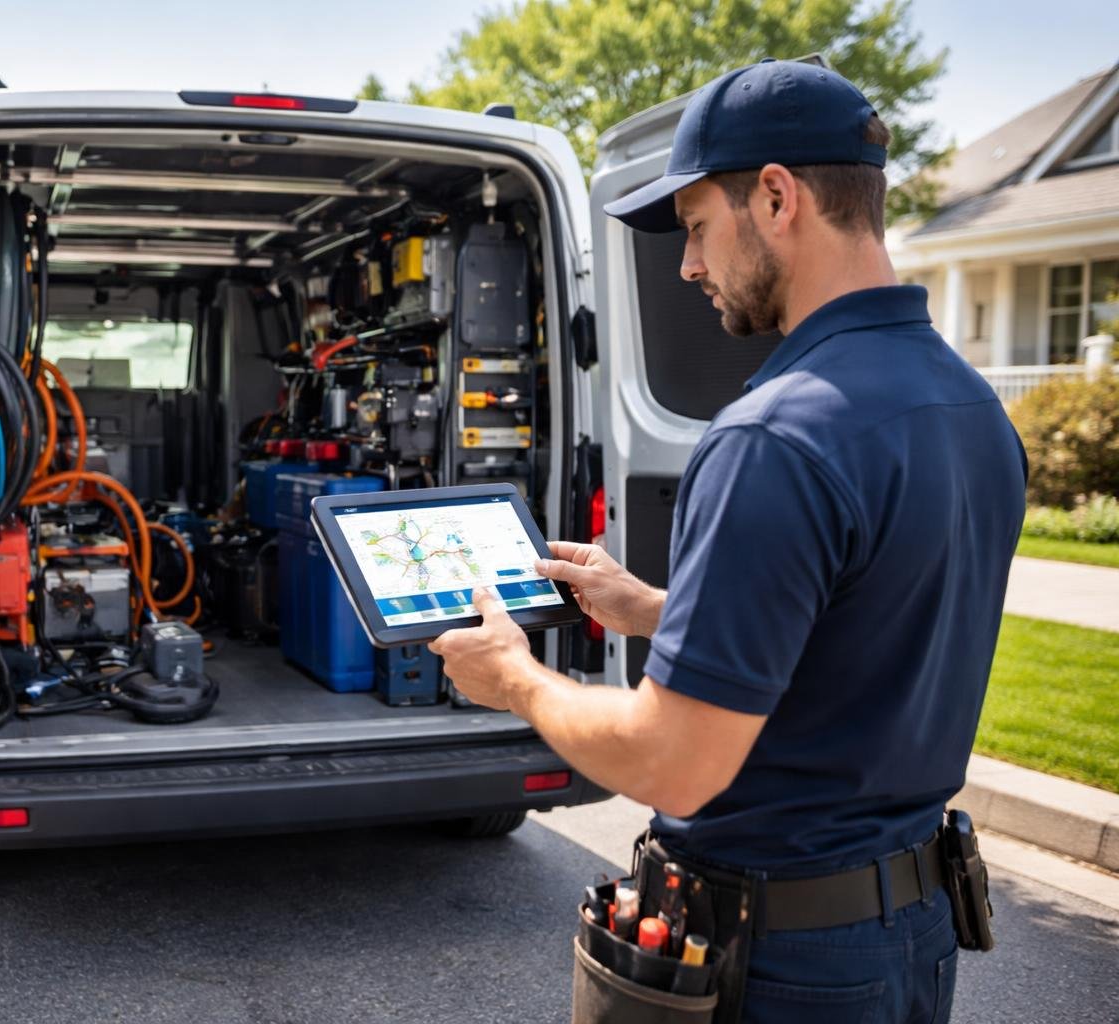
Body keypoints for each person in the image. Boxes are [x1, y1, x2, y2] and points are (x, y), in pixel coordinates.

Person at [430, 59, 1025, 1023]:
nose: (689, 265)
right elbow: (869, 622)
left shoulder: (771, 436)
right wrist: (660, 609)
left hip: (782, 964)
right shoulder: (969, 407)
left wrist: (516, 680)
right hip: (910, 935)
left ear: (779, 198)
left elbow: (673, 762)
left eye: (699, 226)